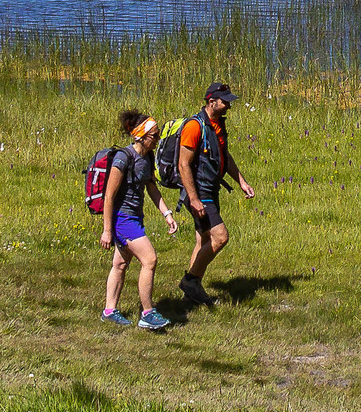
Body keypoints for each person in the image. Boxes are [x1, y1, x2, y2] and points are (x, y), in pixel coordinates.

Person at [176, 83, 256, 305]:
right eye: (225, 101)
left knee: (202, 240)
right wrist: (193, 199)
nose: (229, 105)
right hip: (200, 192)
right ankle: (190, 281)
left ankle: (190, 294)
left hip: (211, 188)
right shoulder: (194, 126)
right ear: (211, 102)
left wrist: (241, 181)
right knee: (220, 237)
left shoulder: (218, 124)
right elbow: (183, 165)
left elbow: (224, 155)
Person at [101, 111, 179, 331]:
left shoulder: (147, 157)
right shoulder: (123, 158)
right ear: (141, 136)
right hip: (122, 220)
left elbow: (151, 187)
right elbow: (109, 196)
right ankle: (147, 313)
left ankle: (109, 311)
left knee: (120, 264)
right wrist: (107, 230)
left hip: (135, 217)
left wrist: (167, 214)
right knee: (150, 259)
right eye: (154, 135)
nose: (157, 139)